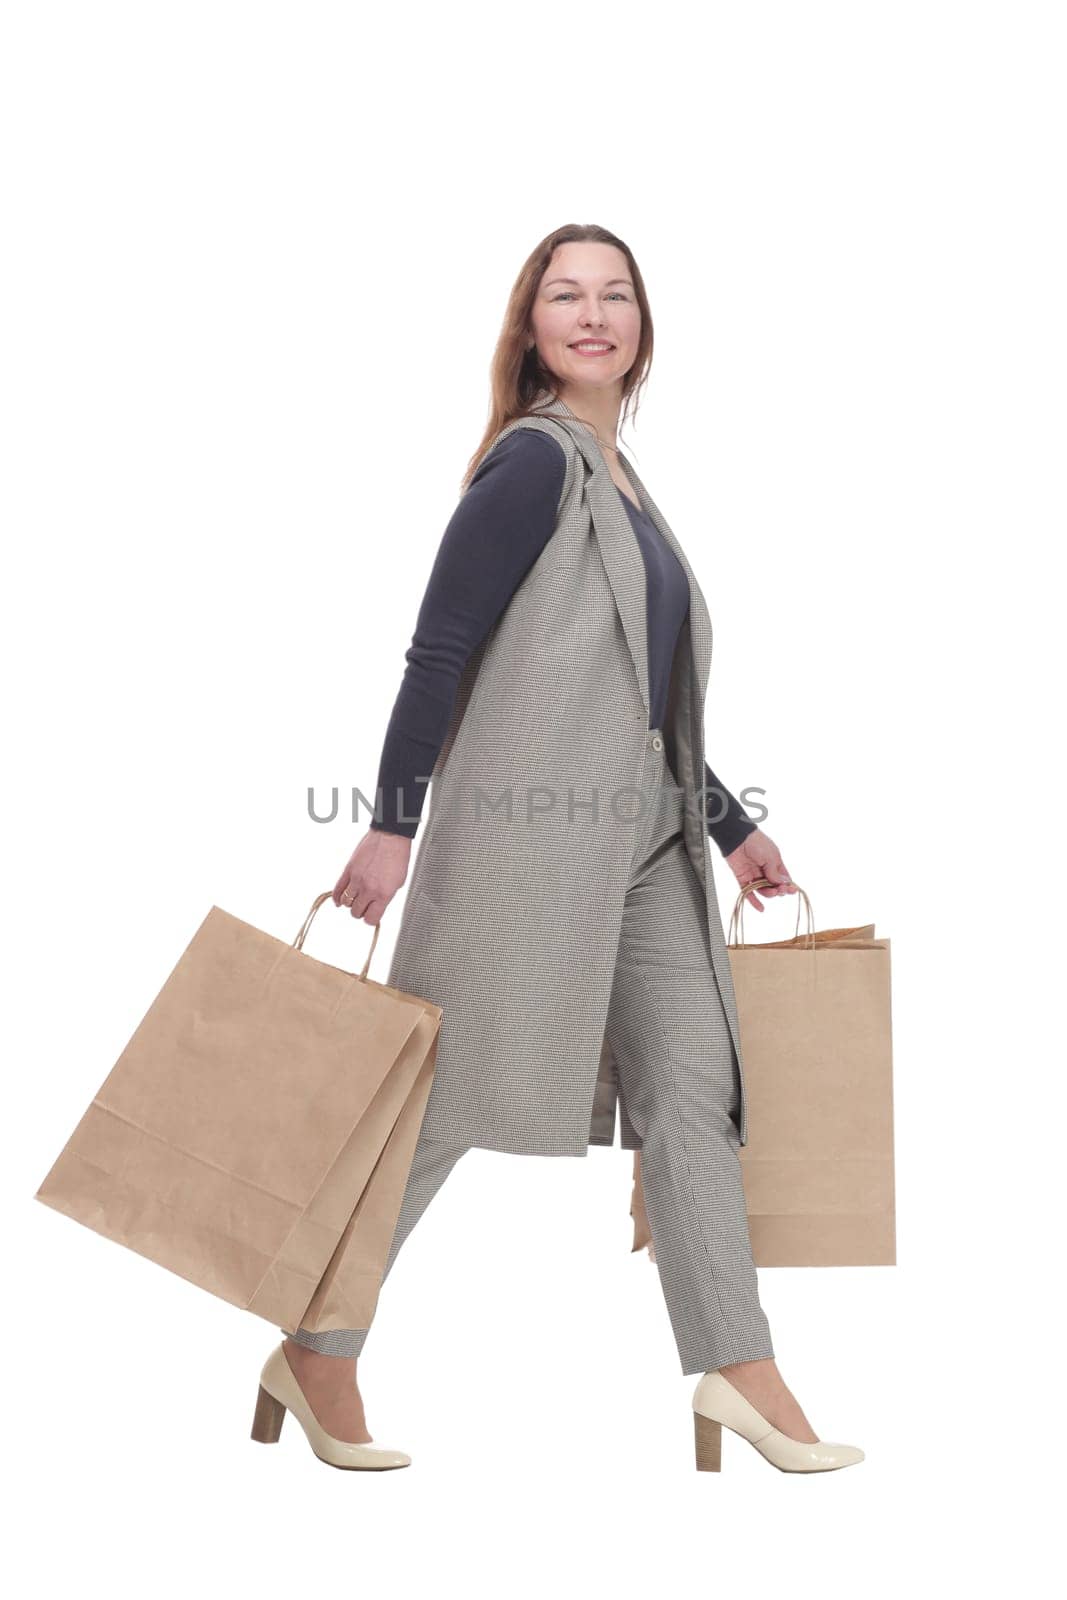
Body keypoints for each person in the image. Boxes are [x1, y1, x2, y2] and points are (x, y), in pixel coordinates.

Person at [252, 226, 865, 1474]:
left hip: (647, 846)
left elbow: (638, 697)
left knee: (693, 1094)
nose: (592, 315)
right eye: (564, 296)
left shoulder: (623, 475)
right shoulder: (531, 466)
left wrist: (731, 826)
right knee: (444, 1098)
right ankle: (317, 1346)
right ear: (530, 327)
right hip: (527, 847)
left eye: (614, 295)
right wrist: (389, 821)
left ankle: (737, 1370)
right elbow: (439, 649)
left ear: (643, 324)